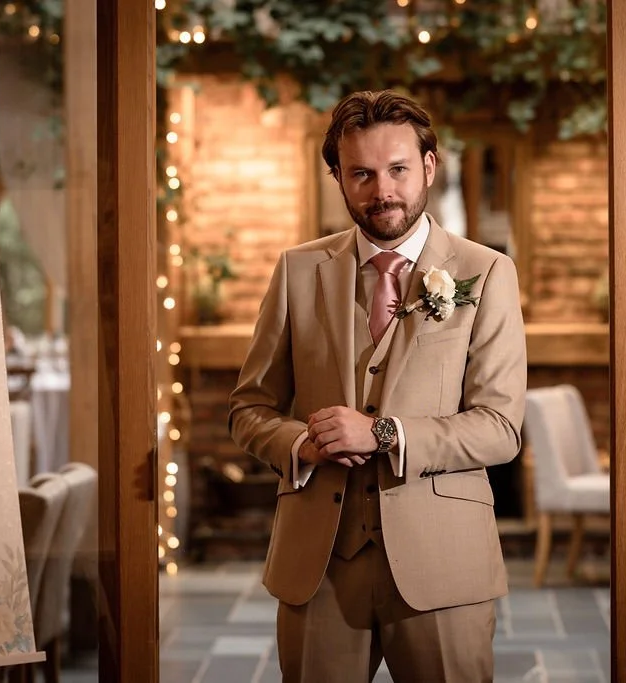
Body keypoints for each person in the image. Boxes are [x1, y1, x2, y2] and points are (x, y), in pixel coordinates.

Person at [228, 89, 527, 682]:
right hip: (320, 563)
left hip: (442, 563)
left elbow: (499, 429)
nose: (382, 190)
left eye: (397, 170)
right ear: (337, 176)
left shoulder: (486, 272)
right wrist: (301, 444)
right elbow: (249, 408)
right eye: (361, 173)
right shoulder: (297, 270)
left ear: (429, 168)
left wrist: (384, 433)